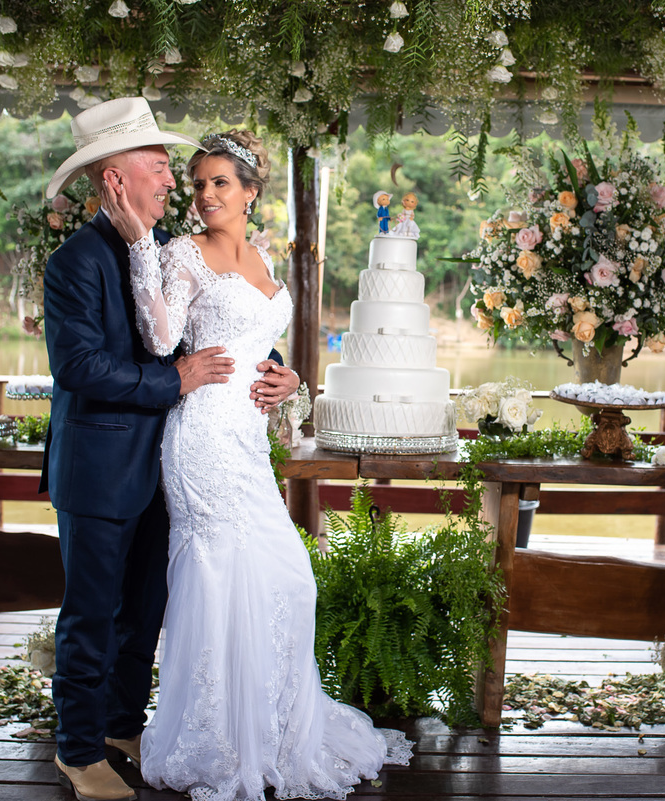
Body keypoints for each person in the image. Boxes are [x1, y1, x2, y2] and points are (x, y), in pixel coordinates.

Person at [102, 130, 413, 801]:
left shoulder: (263, 256)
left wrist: (289, 376)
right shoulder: (182, 252)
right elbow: (160, 337)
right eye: (199, 183)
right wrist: (136, 248)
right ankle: (216, 737)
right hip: (202, 437)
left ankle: (267, 728)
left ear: (250, 191)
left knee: (285, 581)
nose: (205, 194)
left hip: (246, 437)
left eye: (220, 182)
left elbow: (260, 348)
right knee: (220, 577)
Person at [40, 98, 299, 801]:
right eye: (159, 167)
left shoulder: (155, 248)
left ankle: (122, 723)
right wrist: (174, 377)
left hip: (172, 459)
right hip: (99, 467)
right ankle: (78, 749)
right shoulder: (76, 261)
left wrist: (281, 368)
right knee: (93, 613)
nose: (173, 182)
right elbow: (80, 368)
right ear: (114, 180)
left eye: (169, 169)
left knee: (143, 609)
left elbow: (218, 320)